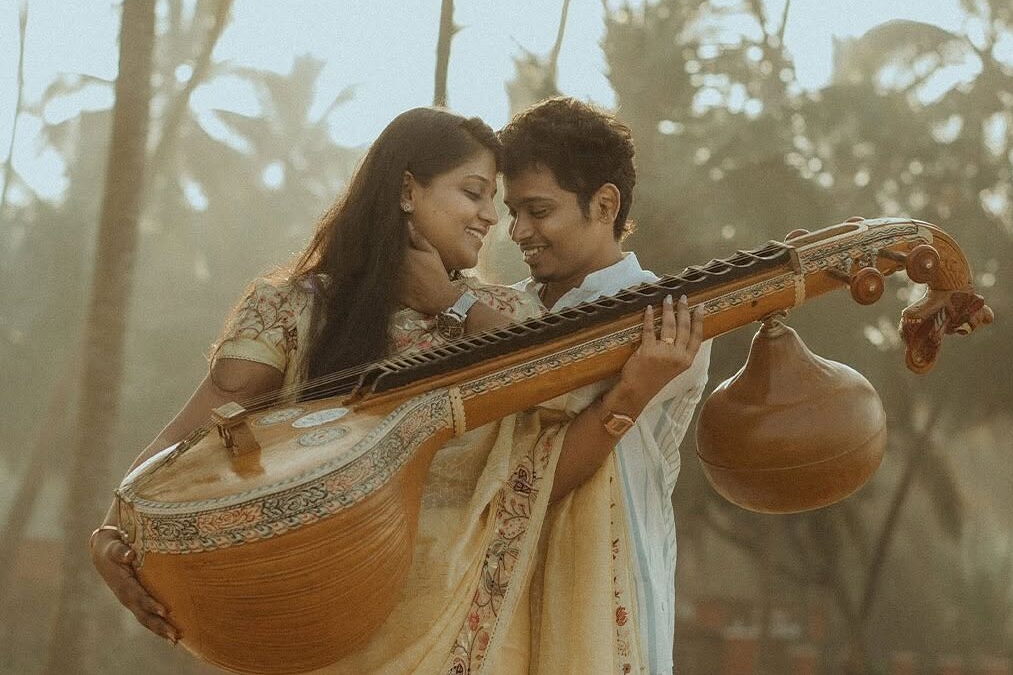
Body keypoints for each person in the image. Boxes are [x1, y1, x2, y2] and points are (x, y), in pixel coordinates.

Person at [89, 106, 704, 673]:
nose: (497, 222)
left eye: (506, 204)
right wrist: (119, 523)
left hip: (468, 630)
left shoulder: (503, 315)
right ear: (408, 190)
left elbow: (543, 463)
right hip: (327, 621)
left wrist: (458, 307)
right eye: (475, 194)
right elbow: (191, 436)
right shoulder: (297, 306)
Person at [498, 96, 712, 675]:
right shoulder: (501, 315)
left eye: (537, 210)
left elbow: (556, 396)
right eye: (512, 211)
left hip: (608, 600)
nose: (518, 231)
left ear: (605, 203)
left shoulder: (673, 321)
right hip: (494, 602)